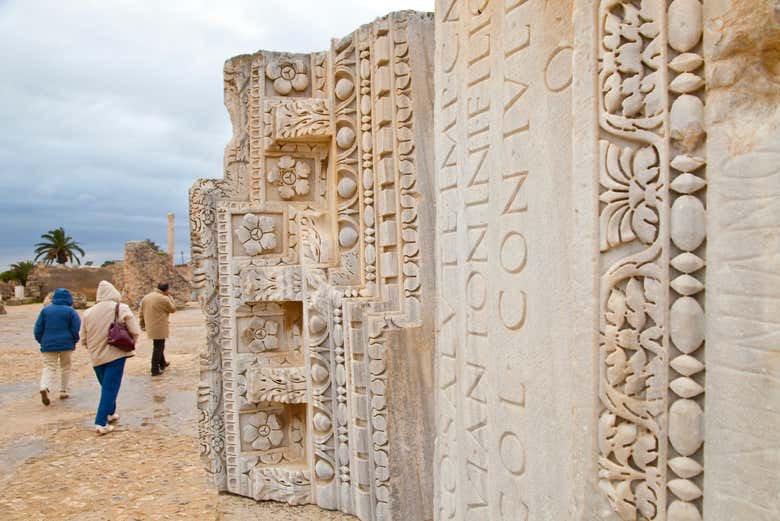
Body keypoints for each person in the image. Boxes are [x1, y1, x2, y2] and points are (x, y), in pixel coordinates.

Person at [80, 280, 141, 435]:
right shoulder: (120, 308)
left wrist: (93, 348)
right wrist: (131, 343)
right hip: (115, 354)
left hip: (96, 356)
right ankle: (101, 422)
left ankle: (110, 412)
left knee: (107, 386)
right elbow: (135, 330)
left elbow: (83, 338)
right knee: (110, 388)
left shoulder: (88, 312)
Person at [33, 288, 80, 405]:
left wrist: (42, 340)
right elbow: (75, 328)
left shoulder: (45, 311)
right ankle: (63, 390)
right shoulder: (71, 311)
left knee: (49, 367)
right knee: (65, 366)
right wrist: (74, 340)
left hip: (48, 344)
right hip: (66, 344)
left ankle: (44, 386)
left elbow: (38, 329)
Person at [140, 282, 176, 377]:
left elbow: (141, 312)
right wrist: (170, 298)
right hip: (160, 326)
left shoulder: (146, 297)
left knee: (158, 344)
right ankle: (154, 369)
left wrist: (142, 324)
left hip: (150, 326)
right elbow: (173, 309)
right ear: (166, 289)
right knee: (158, 347)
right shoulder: (164, 298)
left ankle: (162, 363)